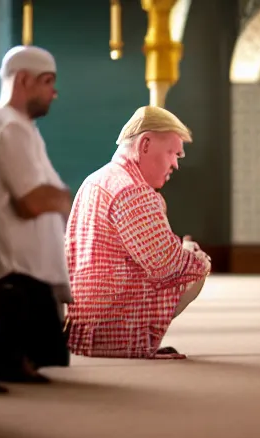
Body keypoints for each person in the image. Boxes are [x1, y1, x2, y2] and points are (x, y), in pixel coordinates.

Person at [65, 106, 211, 360]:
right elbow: (166, 265)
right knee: (195, 270)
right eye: (173, 153)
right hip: (114, 329)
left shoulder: (95, 179)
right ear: (145, 145)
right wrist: (198, 257)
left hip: (84, 325)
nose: (175, 164)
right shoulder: (132, 189)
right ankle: (135, 343)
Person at [0, 45, 72, 390]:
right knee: (30, 334)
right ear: (23, 80)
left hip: (28, 266)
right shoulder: (9, 128)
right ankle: (6, 359)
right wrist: (64, 198)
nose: (54, 92)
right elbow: (31, 202)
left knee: (45, 348)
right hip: (16, 266)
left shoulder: (22, 127)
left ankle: (12, 359)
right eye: (47, 82)